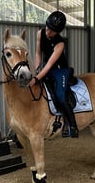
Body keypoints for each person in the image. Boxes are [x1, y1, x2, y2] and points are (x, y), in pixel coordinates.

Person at [28, 10, 79, 138]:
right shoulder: (40, 33)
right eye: (47, 27)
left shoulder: (60, 43)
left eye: (51, 30)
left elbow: (50, 64)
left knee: (60, 95)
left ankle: (73, 126)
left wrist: (36, 78)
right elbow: (38, 53)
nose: (48, 31)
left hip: (60, 70)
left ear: (58, 32)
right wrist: (36, 69)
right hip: (47, 68)